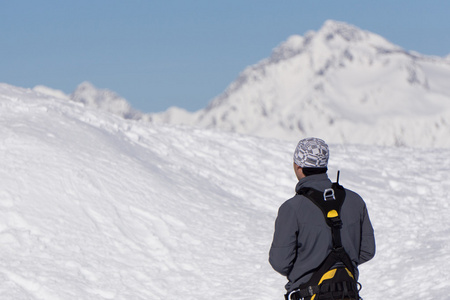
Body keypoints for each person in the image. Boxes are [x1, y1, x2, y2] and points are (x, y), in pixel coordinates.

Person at [269, 137, 375, 298]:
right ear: (324, 164)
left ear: (297, 166)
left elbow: (280, 262)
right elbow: (367, 250)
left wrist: (308, 266)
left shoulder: (292, 208)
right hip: (348, 293)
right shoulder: (355, 201)